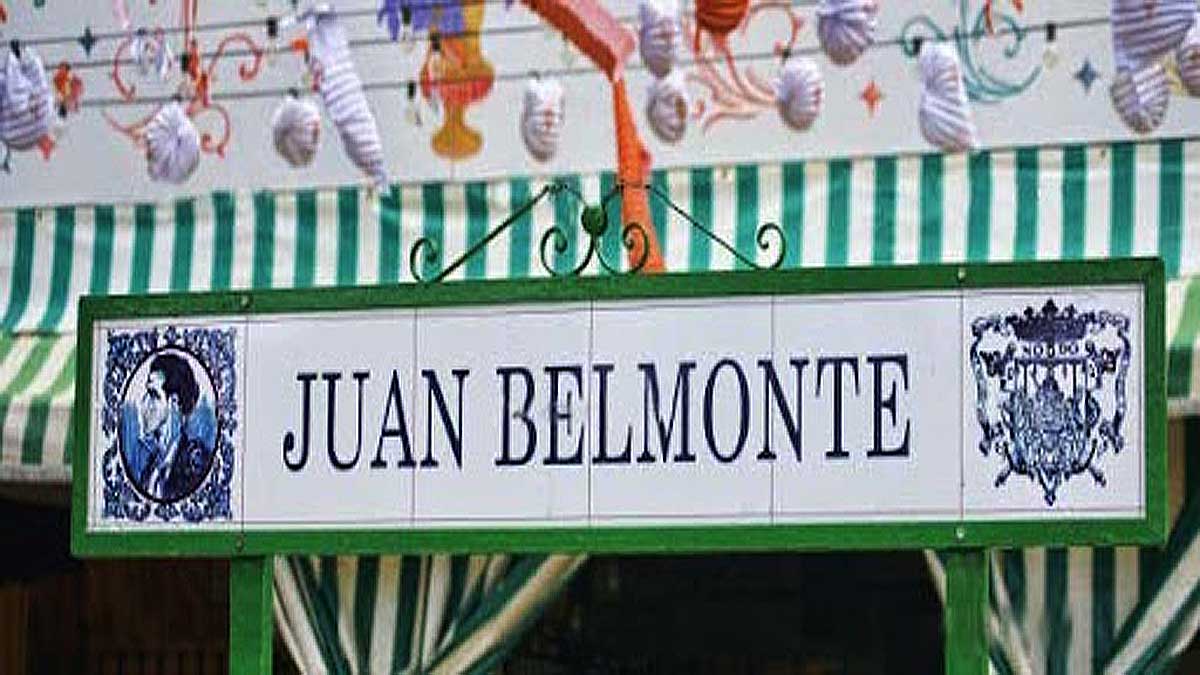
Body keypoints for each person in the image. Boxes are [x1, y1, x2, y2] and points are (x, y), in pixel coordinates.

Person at [122, 352, 215, 502]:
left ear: (173, 403)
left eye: (153, 395)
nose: (144, 404)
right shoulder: (151, 469)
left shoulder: (196, 462)